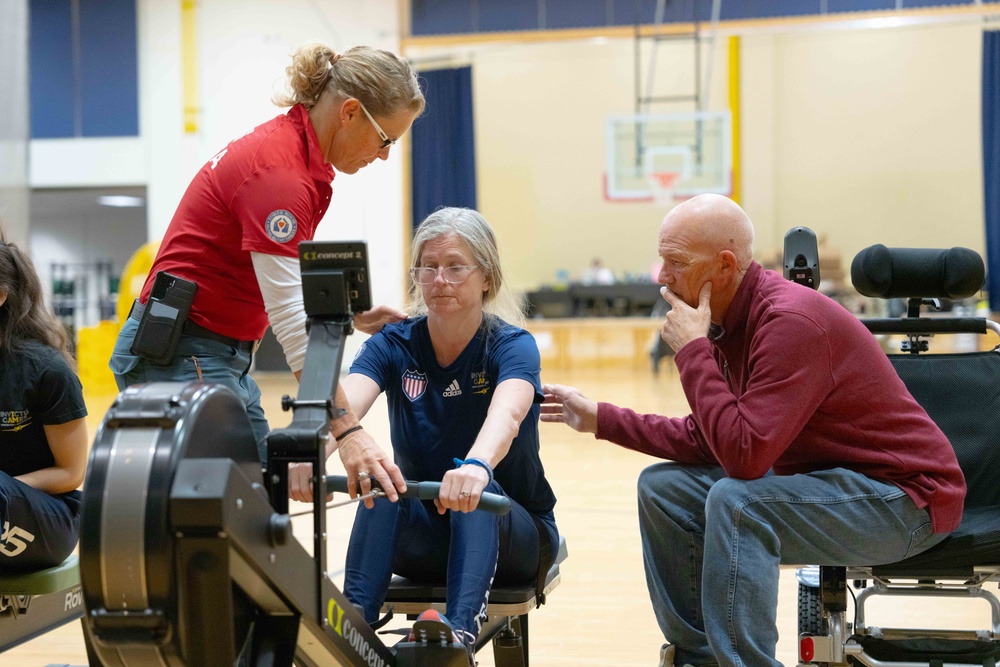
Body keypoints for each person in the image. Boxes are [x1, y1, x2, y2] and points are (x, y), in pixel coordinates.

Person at [541, 194, 965, 667]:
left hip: (904, 504)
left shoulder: (788, 322)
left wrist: (692, 352)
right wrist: (600, 417)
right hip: (836, 487)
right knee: (663, 489)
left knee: (737, 500)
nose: (661, 276)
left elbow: (743, 457)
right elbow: (713, 440)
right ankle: (698, 657)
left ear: (724, 266)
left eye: (675, 262)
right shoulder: (730, 321)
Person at [110, 43, 425, 468]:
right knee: (223, 512)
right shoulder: (278, 175)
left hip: (210, 352)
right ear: (350, 112)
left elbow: (280, 282)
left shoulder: (295, 156)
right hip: (182, 354)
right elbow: (293, 320)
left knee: (257, 499)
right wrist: (348, 430)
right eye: (386, 139)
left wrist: (350, 316)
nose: (385, 154)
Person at [288, 207, 559, 651]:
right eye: (428, 268)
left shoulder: (513, 345)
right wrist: (308, 449)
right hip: (425, 538)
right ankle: (352, 629)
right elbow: (345, 404)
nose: (440, 280)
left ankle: (458, 637)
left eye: (455, 267)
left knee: (477, 498)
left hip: (514, 535)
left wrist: (476, 466)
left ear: (486, 277)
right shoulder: (394, 343)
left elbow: (507, 417)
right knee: (381, 480)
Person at [0, 236, 88, 571]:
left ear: (2, 295)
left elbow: (70, 472)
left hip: (48, 518)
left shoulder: (46, 371)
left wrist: (6, 489)